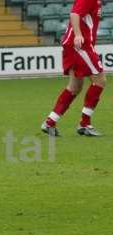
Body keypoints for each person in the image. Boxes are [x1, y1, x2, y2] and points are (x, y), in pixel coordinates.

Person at [41, 0, 106, 137]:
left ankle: (50, 122)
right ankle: (85, 124)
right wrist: (78, 34)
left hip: (78, 45)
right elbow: (75, 14)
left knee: (75, 86)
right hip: (79, 46)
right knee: (100, 80)